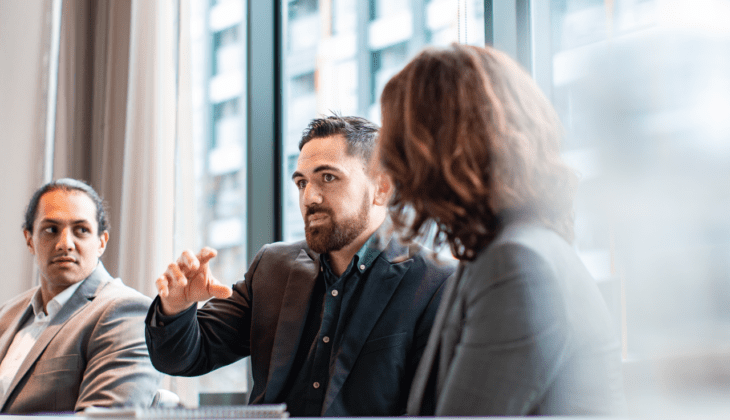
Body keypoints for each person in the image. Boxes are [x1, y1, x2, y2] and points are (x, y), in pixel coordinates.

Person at [145, 116, 455, 417]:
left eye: (328, 178)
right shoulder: (273, 267)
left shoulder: (437, 283)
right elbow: (183, 358)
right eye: (301, 182)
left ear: (382, 188)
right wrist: (176, 307)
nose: (309, 197)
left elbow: (433, 412)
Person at [378, 44, 627, 416]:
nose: (393, 166)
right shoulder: (513, 250)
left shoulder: (516, 264)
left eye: (400, 144)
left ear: (436, 151)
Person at [0, 178, 161, 414]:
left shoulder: (127, 312)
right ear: (29, 239)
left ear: (101, 242)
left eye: (81, 230)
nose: (65, 244)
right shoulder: (7, 313)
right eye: (51, 230)